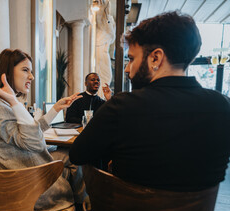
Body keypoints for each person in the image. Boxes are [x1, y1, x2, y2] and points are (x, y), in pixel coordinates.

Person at [69, 11, 230, 192]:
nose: (128, 69)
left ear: (155, 58)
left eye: (131, 59)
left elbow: (77, 154)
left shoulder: (122, 107)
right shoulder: (223, 107)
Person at [0, 48, 85, 211]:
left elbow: (30, 134)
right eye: (25, 70)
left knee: (74, 156)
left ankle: (82, 207)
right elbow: (34, 143)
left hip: (28, 166)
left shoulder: (4, 105)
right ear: (7, 73)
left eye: (31, 71)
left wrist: (56, 109)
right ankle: (82, 210)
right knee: (76, 160)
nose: (31, 77)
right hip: (28, 185)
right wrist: (14, 101)